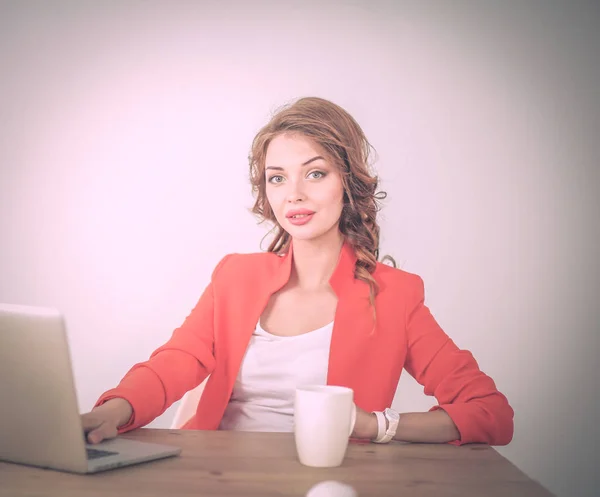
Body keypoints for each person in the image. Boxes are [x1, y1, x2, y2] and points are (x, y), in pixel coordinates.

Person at [82, 97, 514, 446]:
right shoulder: (235, 277)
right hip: (215, 477)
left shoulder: (394, 296)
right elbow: (172, 365)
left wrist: (374, 426)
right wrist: (109, 413)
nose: (295, 195)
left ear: (347, 182)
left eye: (315, 173)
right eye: (277, 178)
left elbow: (488, 412)